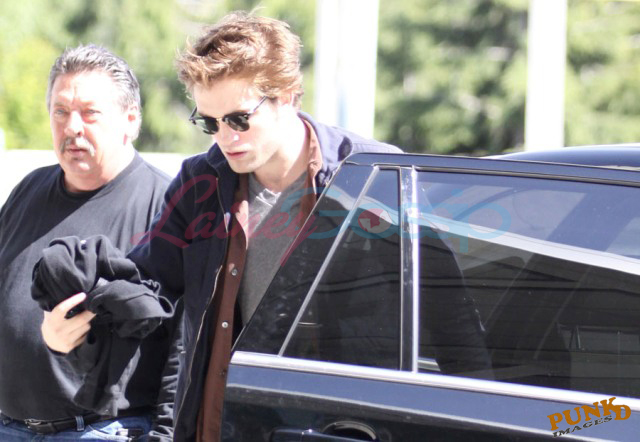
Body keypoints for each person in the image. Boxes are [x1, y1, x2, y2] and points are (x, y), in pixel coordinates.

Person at [42, 11, 402, 442]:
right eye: (210, 122)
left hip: (340, 425)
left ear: (287, 96)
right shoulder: (200, 182)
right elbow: (147, 287)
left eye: (238, 119)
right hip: (229, 422)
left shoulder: (374, 176)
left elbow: (450, 315)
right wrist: (75, 323)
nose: (225, 138)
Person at [0, 44, 179, 441]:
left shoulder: (167, 207)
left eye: (90, 113)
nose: (72, 127)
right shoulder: (28, 189)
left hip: (103, 430)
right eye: (60, 112)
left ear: (130, 119)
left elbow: (182, 346)